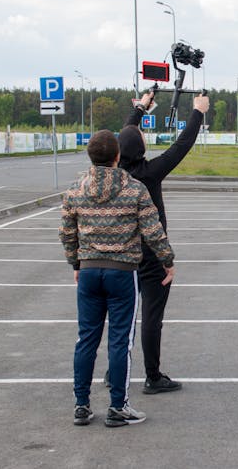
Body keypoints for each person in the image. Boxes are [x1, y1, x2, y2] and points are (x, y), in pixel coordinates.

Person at [59, 130, 175, 427]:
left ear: (90, 156)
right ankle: (118, 407)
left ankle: (81, 405)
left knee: (86, 339)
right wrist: (167, 260)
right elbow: (152, 229)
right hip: (122, 272)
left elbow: (66, 233)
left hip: (88, 271)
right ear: (117, 157)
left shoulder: (75, 189)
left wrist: (76, 261)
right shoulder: (134, 189)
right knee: (119, 340)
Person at [115, 92, 209, 394]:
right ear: (141, 148)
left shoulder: (115, 174)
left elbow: (124, 138)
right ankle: (153, 377)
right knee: (151, 318)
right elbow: (181, 146)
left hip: (121, 254)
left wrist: (141, 108)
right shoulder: (150, 173)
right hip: (152, 257)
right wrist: (198, 112)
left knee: (122, 318)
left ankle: (114, 370)